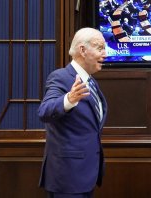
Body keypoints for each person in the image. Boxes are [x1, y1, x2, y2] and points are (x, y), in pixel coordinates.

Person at [38, 27, 108, 197]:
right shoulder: (61, 77)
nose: (105, 54)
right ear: (82, 50)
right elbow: (44, 111)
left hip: (87, 174)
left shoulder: (91, 82)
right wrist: (69, 99)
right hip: (67, 177)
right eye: (100, 48)